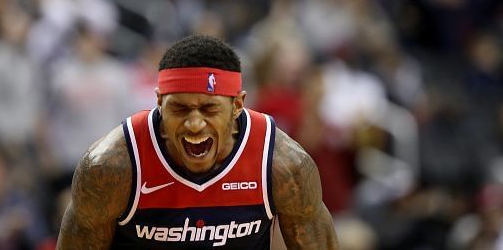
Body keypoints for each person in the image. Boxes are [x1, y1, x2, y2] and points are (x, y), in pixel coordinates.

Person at [57, 34, 339, 249]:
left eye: (209, 109)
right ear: (159, 103)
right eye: (179, 109)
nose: (194, 124)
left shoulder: (284, 164)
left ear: (237, 105)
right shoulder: (110, 166)